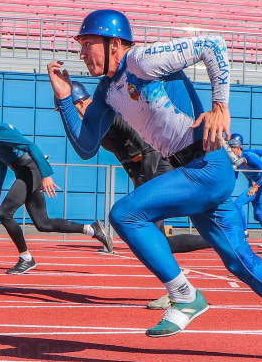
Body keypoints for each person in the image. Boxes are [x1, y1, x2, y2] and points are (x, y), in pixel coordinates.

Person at [48, 9, 262, 362]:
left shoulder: (142, 60)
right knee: (239, 262)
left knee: (125, 214)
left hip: (208, 167)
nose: (81, 53)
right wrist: (63, 99)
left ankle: (184, 295)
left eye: (87, 43)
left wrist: (220, 106)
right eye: (80, 45)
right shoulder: (106, 93)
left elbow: (213, 44)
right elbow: (86, 147)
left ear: (115, 43)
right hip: (192, 173)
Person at [0, 102, 113, 274]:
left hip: (30, 169)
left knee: (4, 213)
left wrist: (45, 174)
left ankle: (26, 258)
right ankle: (93, 229)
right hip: (24, 171)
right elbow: (0, 160)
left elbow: (30, 146)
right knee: (43, 223)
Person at [65, 81, 209, 256]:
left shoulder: (109, 115)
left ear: (80, 103)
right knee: (161, 241)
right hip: (144, 171)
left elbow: (147, 148)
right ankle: (210, 240)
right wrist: (134, 175)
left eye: (72, 112)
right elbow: (123, 153)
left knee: (146, 233)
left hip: (157, 165)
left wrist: (143, 186)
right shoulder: (94, 126)